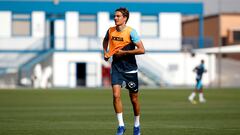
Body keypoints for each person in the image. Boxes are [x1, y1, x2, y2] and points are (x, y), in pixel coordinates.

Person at [102, 7, 145, 135]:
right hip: (116, 67)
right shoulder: (110, 31)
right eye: (115, 16)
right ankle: (121, 126)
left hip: (130, 69)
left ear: (125, 18)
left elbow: (142, 50)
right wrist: (106, 52)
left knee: (134, 99)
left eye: (118, 16)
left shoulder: (131, 32)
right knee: (116, 95)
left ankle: (137, 125)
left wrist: (124, 53)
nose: (115, 18)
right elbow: (105, 41)